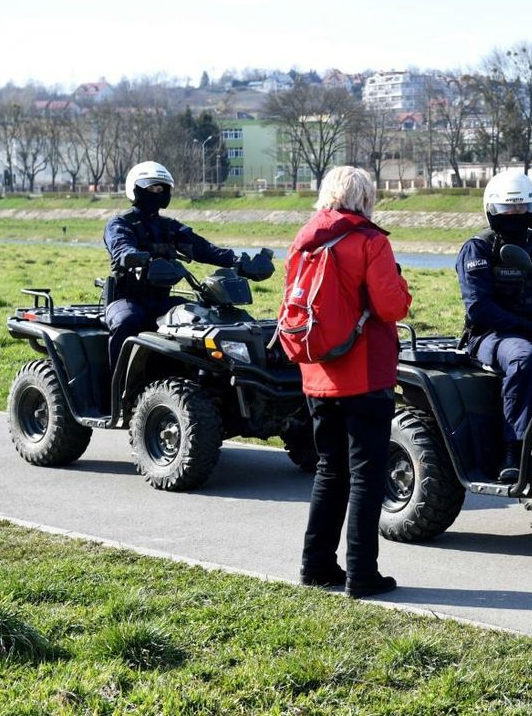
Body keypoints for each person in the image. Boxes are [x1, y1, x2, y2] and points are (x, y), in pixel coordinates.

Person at [294, 166, 411, 598]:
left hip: (316, 370)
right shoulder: (370, 241)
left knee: (329, 470)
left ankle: (316, 566)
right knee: (367, 474)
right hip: (364, 372)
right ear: (365, 198)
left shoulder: (305, 239)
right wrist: (403, 288)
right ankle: (363, 574)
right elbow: (390, 306)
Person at [455, 170, 532, 484]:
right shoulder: (479, 248)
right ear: (492, 210)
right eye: (508, 209)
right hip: (491, 335)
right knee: (524, 358)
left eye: (521, 208)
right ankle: (514, 448)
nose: (515, 214)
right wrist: (528, 327)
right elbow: (478, 307)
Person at [103, 161, 267, 371]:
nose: (156, 193)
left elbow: (203, 248)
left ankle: (200, 377)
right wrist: (135, 258)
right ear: (136, 189)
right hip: (127, 299)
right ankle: (117, 387)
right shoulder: (120, 223)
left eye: (161, 189)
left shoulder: (169, 226)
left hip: (161, 300)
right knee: (127, 321)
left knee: (200, 317)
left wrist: (239, 262)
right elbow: (121, 247)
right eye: (152, 188)